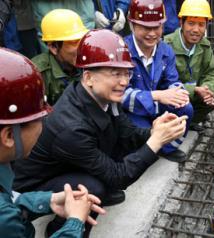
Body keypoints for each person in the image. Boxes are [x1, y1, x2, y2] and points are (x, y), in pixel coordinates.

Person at [12, 29, 187, 237]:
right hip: (31, 185)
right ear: (88, 77)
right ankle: (59, 230)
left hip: (67, 162)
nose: (124, 81)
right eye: (115, 73)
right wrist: (156, 142)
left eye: (126, 73)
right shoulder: (71, 128)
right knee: (92, 189)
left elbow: (128, 133)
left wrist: (153, 131)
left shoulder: (100, 96)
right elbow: (118, 176)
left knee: (119, 144)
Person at [0, 47, 105, 238]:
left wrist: (49, 200)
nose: (43, 126)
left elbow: (11, 199)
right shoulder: (4, 220)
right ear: (8, 135)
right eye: (39, 119)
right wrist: (74, 223)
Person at [122, 0, 193, 162]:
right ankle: (145, 150)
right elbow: (120, 96)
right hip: (133, 111)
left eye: (157, 27)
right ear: (131, 24)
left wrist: (178, 92)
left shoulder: (165, 50)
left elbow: (172, 80)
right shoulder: (122, 50)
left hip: (155, 107)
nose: (152, 33)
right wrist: (157, 96)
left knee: (185, 109)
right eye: (146, 28)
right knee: (141, 135)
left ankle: (166, 149)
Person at [164, 0, 214, 131]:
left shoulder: (204, 45)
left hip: (195, 94)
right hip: (174, 96)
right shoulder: (166, 45)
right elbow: (164, 83)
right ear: (181, 23)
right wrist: (194, 90)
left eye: (201, 25)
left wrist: (207, 89)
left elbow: (211, 73)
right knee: (181, 103)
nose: (196, 30)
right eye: (191, 23)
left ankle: (192, 120)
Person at [31, 9, 88, 105]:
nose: (81, 48)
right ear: (53, 47)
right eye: (74, 42)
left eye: (82, 40)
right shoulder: (38, 74)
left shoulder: (90, 62)